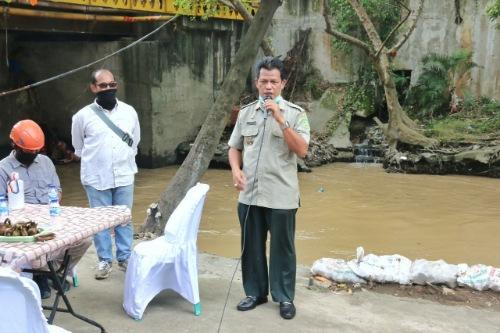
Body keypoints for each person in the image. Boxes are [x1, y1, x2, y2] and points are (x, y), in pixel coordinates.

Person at [228, 57, 310, 320]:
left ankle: (284, 297)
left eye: (274, 81)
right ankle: (255, 293)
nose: (268, 87)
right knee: (250, 246)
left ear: (283, 83)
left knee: (282, 250)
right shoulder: (246, 112)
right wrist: (236, 170)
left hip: (282, 195)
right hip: (250, 194)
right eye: (263, 81)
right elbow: (234, 147)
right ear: (256, 82)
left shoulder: (296, 114)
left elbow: (302, 150)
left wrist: (280, 118)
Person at [0, 119, 92, 299]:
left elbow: (56, 190)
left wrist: (54, 203)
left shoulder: (46, 162)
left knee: (84, 240)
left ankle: (52, 272)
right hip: (24, 226)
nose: (32, 154)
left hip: (50, 216)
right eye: (27, 151)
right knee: (38, 249)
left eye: (36, 151)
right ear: (14, 145)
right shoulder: (3, 169)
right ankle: (41, 275)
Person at [71, 69, 140, 280]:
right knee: (100, 221)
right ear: (93, 88)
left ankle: (125, 257)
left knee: (124, 219)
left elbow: (135, 142)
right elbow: (78, 147)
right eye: (103, 86)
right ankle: (104, 260)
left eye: (112, 85)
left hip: (124, 175)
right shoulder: (82, 116)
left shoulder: (130, 112)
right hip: (96, 177)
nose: (108, 89)